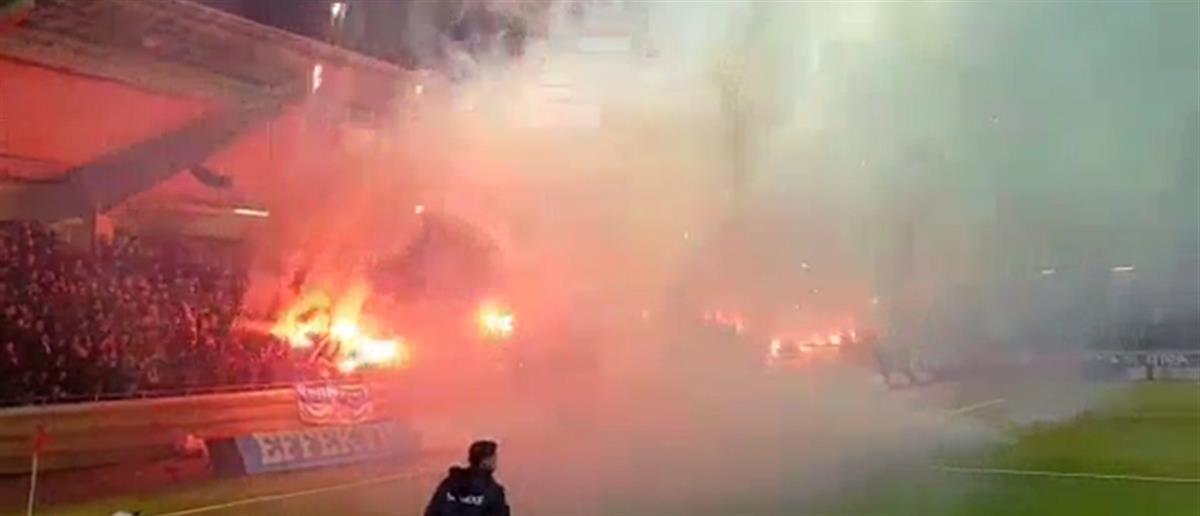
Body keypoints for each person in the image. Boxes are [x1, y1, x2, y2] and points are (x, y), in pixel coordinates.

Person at [425, 440, 510, 516]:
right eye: (493, 458)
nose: (495, 461)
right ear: (484, 461)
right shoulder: (492, 491)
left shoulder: (450, 483)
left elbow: (432, 511)